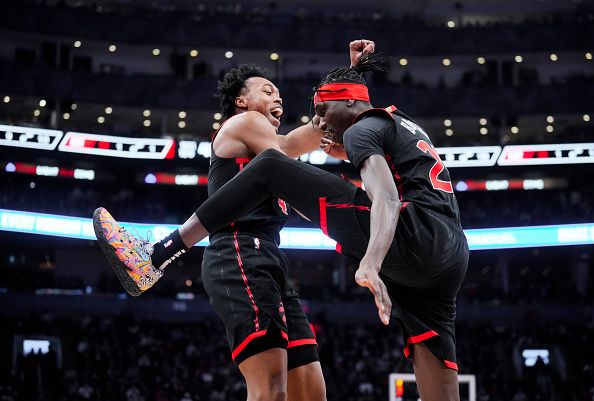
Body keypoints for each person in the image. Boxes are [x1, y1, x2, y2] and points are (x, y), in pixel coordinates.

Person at [94, 53, 468, 401]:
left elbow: (314, 132)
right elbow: (294, 144)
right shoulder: (245, 122)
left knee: (310, 393)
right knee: (271, 389)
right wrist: (345, 92)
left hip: (271, 260)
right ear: (241, 101)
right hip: (237, 252)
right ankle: (158, 253)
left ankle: (157, 254)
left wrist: (350, 81)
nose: (279, 98)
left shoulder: (317, 134)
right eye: (267, 90)